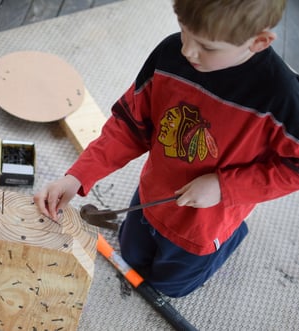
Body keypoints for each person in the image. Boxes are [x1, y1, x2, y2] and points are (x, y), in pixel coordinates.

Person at [35, 0, 299, 298]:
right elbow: (128, 125)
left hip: (206, 220)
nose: (187, 50)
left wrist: (224, 187)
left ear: (259, 41)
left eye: (207, 47)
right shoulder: (170, 54)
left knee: (171, 287)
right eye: (184, 31)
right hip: (153, 195)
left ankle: (231, 237)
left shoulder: (283, 97)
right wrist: (78, 176)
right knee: (131, 254)